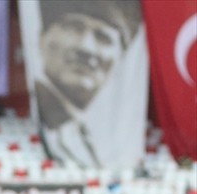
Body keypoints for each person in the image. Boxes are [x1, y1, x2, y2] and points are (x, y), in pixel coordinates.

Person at [33, 1, 142, 168]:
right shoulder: (38, 119)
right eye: (74, 28)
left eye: (104, 38)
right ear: (42, 38)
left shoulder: (101, 134)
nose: (86, 48)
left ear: (120, 59)